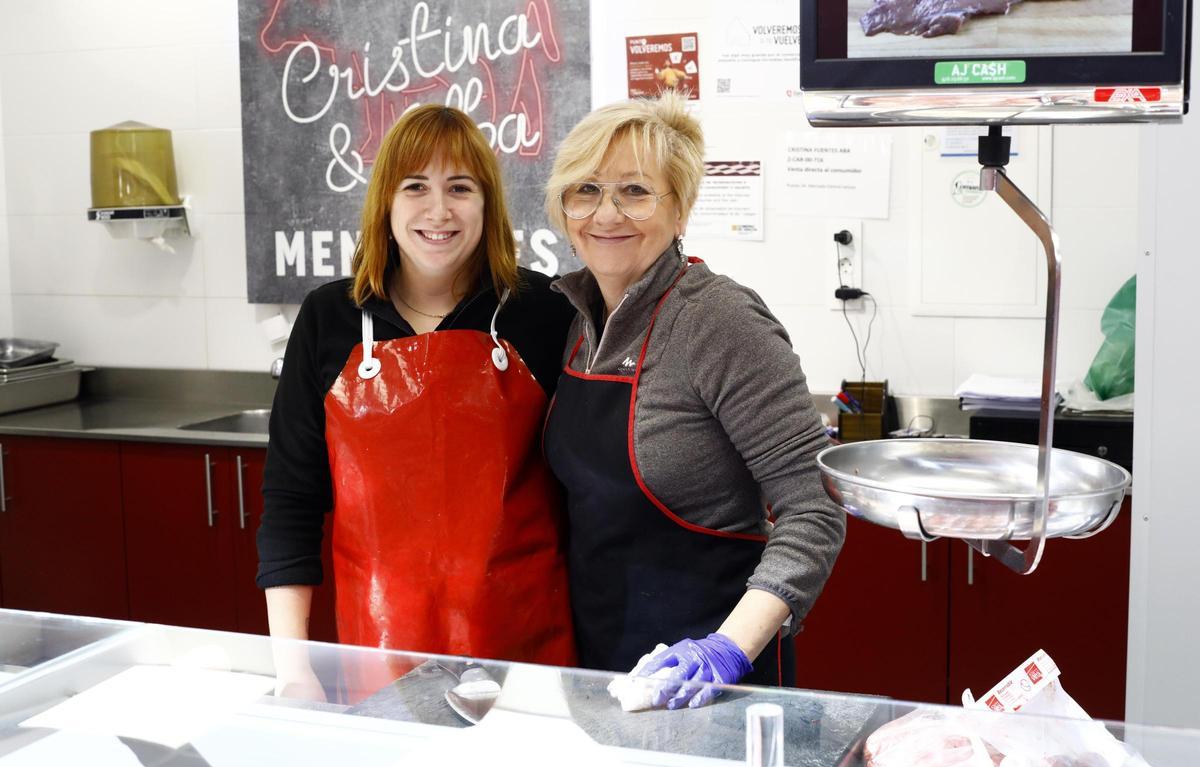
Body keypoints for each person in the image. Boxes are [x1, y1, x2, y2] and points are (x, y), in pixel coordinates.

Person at [257, 105, 576, 696]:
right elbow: (291, 500)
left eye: (460, 187)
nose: (438, 210)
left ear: (487, 205)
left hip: (527, 652)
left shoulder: (545, 312)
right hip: (377, 651)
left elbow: (586, 486)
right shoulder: (329, 317)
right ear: (386, 202)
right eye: (415, 187)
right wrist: (292, 665)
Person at [542, 93, 846, 710]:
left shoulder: (717, 320)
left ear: (680, 210)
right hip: (600, 662)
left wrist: (728, 649)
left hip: (714, 679)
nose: (607, 213)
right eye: (587, 190)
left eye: (635, 191)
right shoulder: (570, 323)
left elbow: (816, 508)